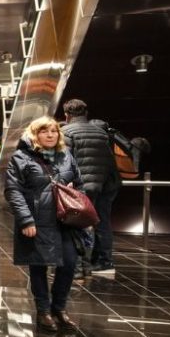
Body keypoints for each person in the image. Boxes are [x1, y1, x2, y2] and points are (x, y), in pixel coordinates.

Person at [4, 117, 84, 333]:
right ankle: (43, 311)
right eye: (44, 131)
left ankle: (59, 308)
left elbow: (79, 184)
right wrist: (26, 219)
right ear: (34, 134)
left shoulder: (66, 156)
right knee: (38, 265)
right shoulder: (21, 158)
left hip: (64, 221)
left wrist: (76, 200)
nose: (50, 135)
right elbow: (13, 191)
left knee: (68, 263)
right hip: (37, 220)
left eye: (53, 131)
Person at [60, 99, 118, 276]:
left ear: (67, 115)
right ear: (86, 113)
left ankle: (77, 267)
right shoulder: (101, 132)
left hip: (80, 185)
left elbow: (65, 162)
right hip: (104, 185)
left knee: (75, 225)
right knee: (102, 223)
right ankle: (104, 262)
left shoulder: (66, 132)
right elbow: (109, 161)